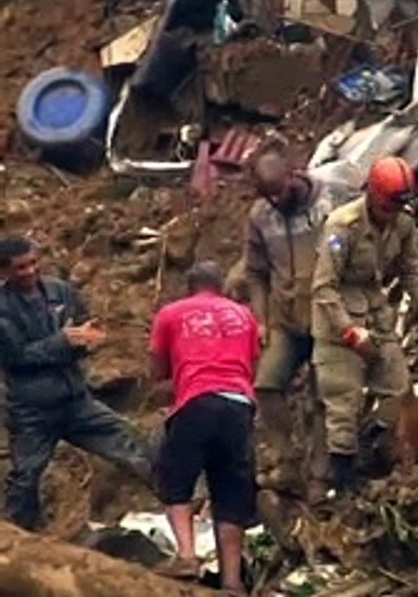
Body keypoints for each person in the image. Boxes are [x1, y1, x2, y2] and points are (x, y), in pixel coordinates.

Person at [0, 237, 152, 531]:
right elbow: (16, 357)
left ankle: (177, 501)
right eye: (21, 267)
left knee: (129, 441)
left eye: (34, 263)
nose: (31, 271)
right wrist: (62, 342)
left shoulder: (59, 291)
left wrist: (89, 338)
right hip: (32, 411)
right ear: (4, 272)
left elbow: (84, 321)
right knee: (26, 478)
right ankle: (21, 542)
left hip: (76, 400)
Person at [311, 156, 418, 495]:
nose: (391, 213)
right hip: (338, 319)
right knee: (343, 400)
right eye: (388, 205)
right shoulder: (342, 226)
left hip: (377, 314)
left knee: (398, 387)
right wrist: (349, 332)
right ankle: (343, 476)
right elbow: (323, 286)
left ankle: (372, 442)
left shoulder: (404, 224)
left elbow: (411, 269)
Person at [242, 139, 354, 498]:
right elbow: (255, 273)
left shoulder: (335, 198)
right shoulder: (260, 217)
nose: (277, 201)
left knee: (325, 394)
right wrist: (261, 320)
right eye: (268, 196)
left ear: (295, 174)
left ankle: (322, 477)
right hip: (287, 320)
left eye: (280, 191)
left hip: (330, 317)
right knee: (266, 385)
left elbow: (376, 234)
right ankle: (288, 460)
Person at [149, 262, 260, 596]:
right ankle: (232, 581)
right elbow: (252, 366)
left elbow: (156, 369)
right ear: (221, 286)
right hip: (239, 405)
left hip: (196, 401)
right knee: (229, 490)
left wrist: (179, 370)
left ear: (189, 287)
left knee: (176, 479)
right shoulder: (244, 315)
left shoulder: (171, 313)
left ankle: (186, 556)